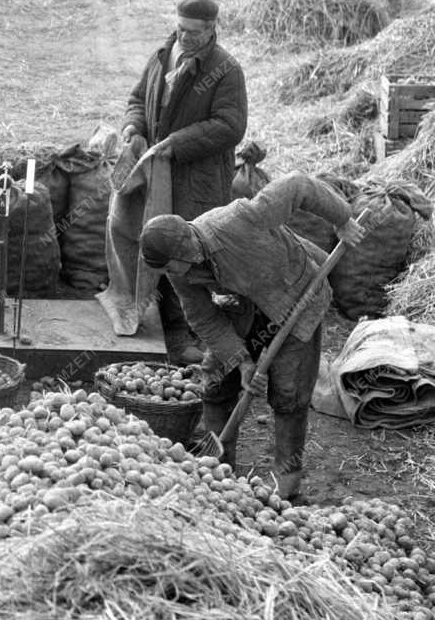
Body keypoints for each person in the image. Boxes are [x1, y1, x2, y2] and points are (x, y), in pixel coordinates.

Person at [139, 173, 365, 502]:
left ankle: (287, 477)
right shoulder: (180, 269)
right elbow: (202, 316)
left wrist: (342, 218)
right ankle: (219, 461)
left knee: (288, 393)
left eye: (169, 267)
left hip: (297, 293)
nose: (169, 275)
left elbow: (298, 185)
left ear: (186, 247)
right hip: (245, 304)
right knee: (216, 381)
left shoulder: (240, 218)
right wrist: (242, 362)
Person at [121, 0, 248, 363]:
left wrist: (177, 143)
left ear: (211, 30)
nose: (185, 37)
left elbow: (230, 126)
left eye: (193, 32)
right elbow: (137, 97)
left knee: (188, 253)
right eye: (180, 29)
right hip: (157, 173)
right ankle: (153, 316)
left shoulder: (226, 70)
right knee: (150, 240)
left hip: (197, 179)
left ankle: (187, 334)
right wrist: (133, 127)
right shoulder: (163, 56)